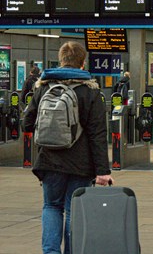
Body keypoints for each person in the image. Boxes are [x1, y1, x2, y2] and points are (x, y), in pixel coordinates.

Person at [23, 41, 113, 254]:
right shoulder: (91, 92)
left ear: (61, 60)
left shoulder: (44, 87)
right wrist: (102, 171)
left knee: (51, 207)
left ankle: (50, 252)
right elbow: (97, 134)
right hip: (80, 164)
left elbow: (27, 123)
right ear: (83, 63)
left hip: (49, 160)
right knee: (74, 211)